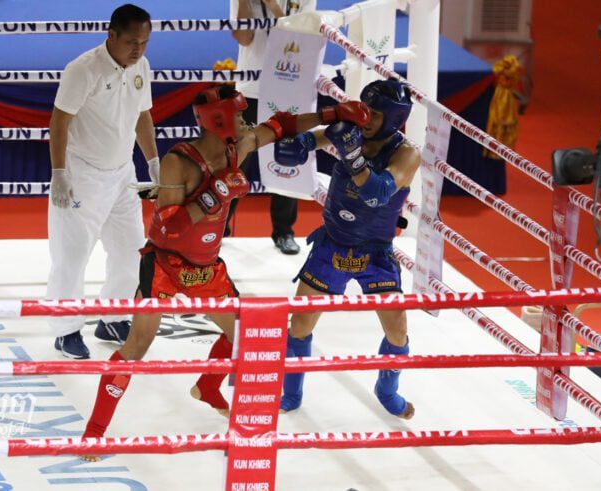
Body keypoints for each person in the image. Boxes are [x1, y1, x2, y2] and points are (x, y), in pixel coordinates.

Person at [80, 84, 370, 460]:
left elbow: (280, 126)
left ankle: (209, 387)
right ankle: (94, 431)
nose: (244, 120)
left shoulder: (240, 145)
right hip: (165, 265)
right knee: (137, 346)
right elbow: (167, 227)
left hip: (206, 267)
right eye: (237, 114)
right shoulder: (178, 161)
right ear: (219, 121)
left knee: (245, 336)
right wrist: (213, 195)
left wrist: (334, 114)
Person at [275, 79, 419, 419]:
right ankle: (291, 394)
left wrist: (352, 154)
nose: (366, 121)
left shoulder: (406, 153)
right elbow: (291, 149)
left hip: (376, 253)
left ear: (394, 118)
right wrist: (314, 129)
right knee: (300, 325)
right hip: (333, 245)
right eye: (365, 112)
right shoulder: (349, 129)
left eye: (375, 116)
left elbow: (378, 193)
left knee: (397, 330)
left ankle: (387, 390)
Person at [47, 4, 160, 359]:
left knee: (131, 252)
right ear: (111, 35)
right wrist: (59, 173)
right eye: (131, 41)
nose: (138, 49)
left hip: (123, 174)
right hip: (82, 176)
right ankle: (65, 330)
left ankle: (112, 317)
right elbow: (59, 121)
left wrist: (154, 163)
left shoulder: (141, 66)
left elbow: (143, 116)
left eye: (144, 42)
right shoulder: (83, 69)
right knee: (72, 255)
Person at [227, 0, 316, 255]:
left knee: (287, 159)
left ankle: (284, 231)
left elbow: (301, 38)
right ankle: (220, 223)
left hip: (289, 84)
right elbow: (243, 38)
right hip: (250, 86)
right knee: (236, 159)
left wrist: (273, 5)